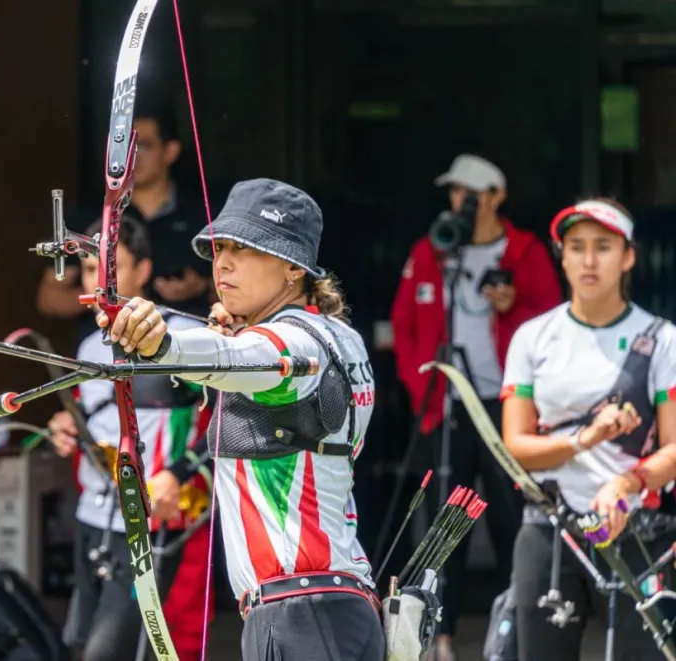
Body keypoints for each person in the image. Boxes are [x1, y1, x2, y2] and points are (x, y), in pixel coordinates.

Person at [94, 178, 383, 661]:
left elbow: (247, 360)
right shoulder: (339, 335)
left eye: (244, 250)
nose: (222, 262)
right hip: (328, 606)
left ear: (293, 266)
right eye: (219, 248)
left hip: (302, 611)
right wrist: (237, 336)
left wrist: (161, 345)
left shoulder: (296, 345)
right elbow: (245, 359)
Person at [390, 153, 561, 659]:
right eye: (454, 192)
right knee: (445, 521)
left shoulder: (526, 251)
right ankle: (439, 635)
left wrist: (513, 306)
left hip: (503, 402)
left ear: (496, 196)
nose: (460, 202)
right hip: (444, 402)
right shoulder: (433, 247)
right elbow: (403, 324)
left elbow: (553, 323)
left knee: (513, 517)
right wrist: (420, 382)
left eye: (471, 193)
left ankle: (523, 619)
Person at [501, 197, 676, 661]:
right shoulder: (533, 337)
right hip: (549, 527)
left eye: (603, 246)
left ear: (629, 256)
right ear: (562, 256)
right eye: (576, 247)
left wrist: (627, 480)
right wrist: (584, 439)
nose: (589, 260)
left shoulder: (662, 339)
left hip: (637, 530)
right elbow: (515, 448)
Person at [47, 215, 214, 661]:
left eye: (112, 267)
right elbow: (90, 423)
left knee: (112, 650)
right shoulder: (88, 348)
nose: (100, 281)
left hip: (148, 522)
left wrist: (178, 475)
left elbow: (227, 424)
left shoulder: (184, 337)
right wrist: (64, 428)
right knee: (79, 642)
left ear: (143, 270)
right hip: (91, 516)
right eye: (88, 270)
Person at [36, 106, 213, 336]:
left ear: (170, 151)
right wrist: (102, 297)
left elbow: (239, 289)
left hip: (187, 343)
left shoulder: (203, 212)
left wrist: (202, 286)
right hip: (103, 346)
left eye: (144, 146)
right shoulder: (91, 217)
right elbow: (49, 298)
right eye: (125, 148)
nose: (132, 156)